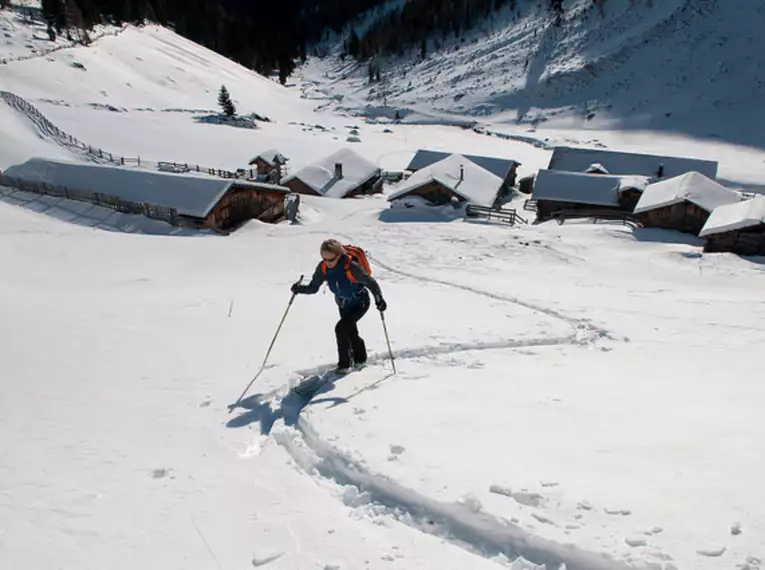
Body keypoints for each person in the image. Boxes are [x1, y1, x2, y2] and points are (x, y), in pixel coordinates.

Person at [291, 239, 387, 374]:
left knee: (341, 328)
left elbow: (370, 282)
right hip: (343, 304)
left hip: (360, 302)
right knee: (350, 332)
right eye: (324, 259)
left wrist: (379, 299)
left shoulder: (351, 267)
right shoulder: (323, 267)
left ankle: (344, 365)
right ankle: (360, 359)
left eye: (331, 259)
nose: (328, 263)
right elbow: (314, 287)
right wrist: (299, 289)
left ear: (339, 255)